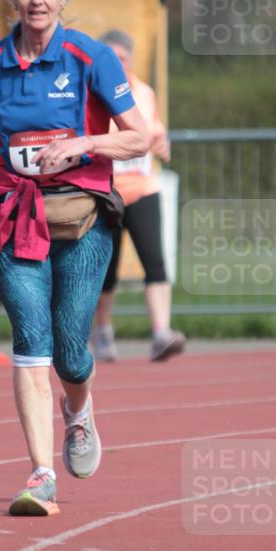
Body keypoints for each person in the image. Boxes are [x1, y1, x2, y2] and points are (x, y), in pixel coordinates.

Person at [0, 0, 149, 516]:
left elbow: (139, 137)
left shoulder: (90, 57)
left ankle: (78, 412)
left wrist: (82, 145)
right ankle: (41, 473)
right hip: (15, 213)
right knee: (31, 338)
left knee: (70, 351)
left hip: (83, 216)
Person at [91, 29, 186, 363]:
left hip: (144, 188)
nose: (118, 64)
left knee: (155, 262)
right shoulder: (92, 93)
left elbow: (155, 131)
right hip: (107, 192)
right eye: (111, 58)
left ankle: (161, 332)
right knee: (107, 271)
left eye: (123, 58)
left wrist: (161, 143)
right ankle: (102, 329)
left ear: (130, 59)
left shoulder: (144, 93)